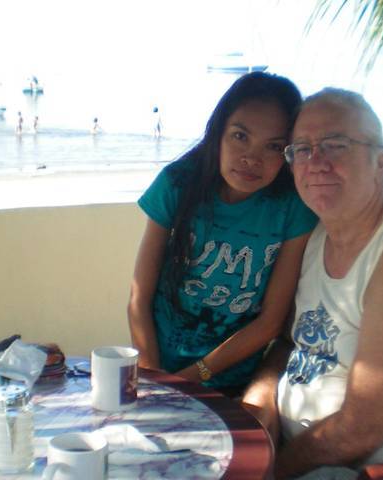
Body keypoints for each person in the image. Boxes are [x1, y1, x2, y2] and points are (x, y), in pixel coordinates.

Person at [241, 88, 383, 478]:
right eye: (302, 149)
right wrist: (259, 401)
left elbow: (362, 429)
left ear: (380, 161)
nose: (316, 163)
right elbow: (287, 342)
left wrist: (269, 472)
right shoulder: (318, 238)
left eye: (335, 145)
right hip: (306, 456)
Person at [127, 72, 317, 396]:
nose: (251, 158)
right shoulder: (177, 183)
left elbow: (270, 322)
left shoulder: (292, 207)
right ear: (218, 132)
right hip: (157, 369)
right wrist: (156, 380)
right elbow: (139, 299)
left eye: (273, 146)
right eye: (240, 136)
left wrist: (191, 377)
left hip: (234, 381)